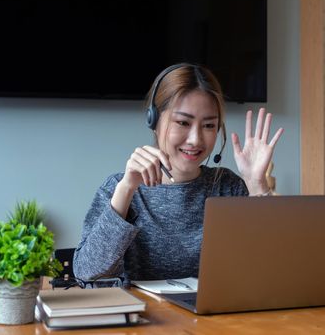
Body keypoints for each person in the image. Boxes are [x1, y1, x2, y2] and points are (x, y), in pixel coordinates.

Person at [73, 63, 284, 283]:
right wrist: (126, 189)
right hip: (147, 316)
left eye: (209, 126)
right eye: (183, 122)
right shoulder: (119, 187)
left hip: (216, 317)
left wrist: (257, 185)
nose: (195, 139)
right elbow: (87, 272)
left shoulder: (228, 187)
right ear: (154, 121)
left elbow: (275, 269)